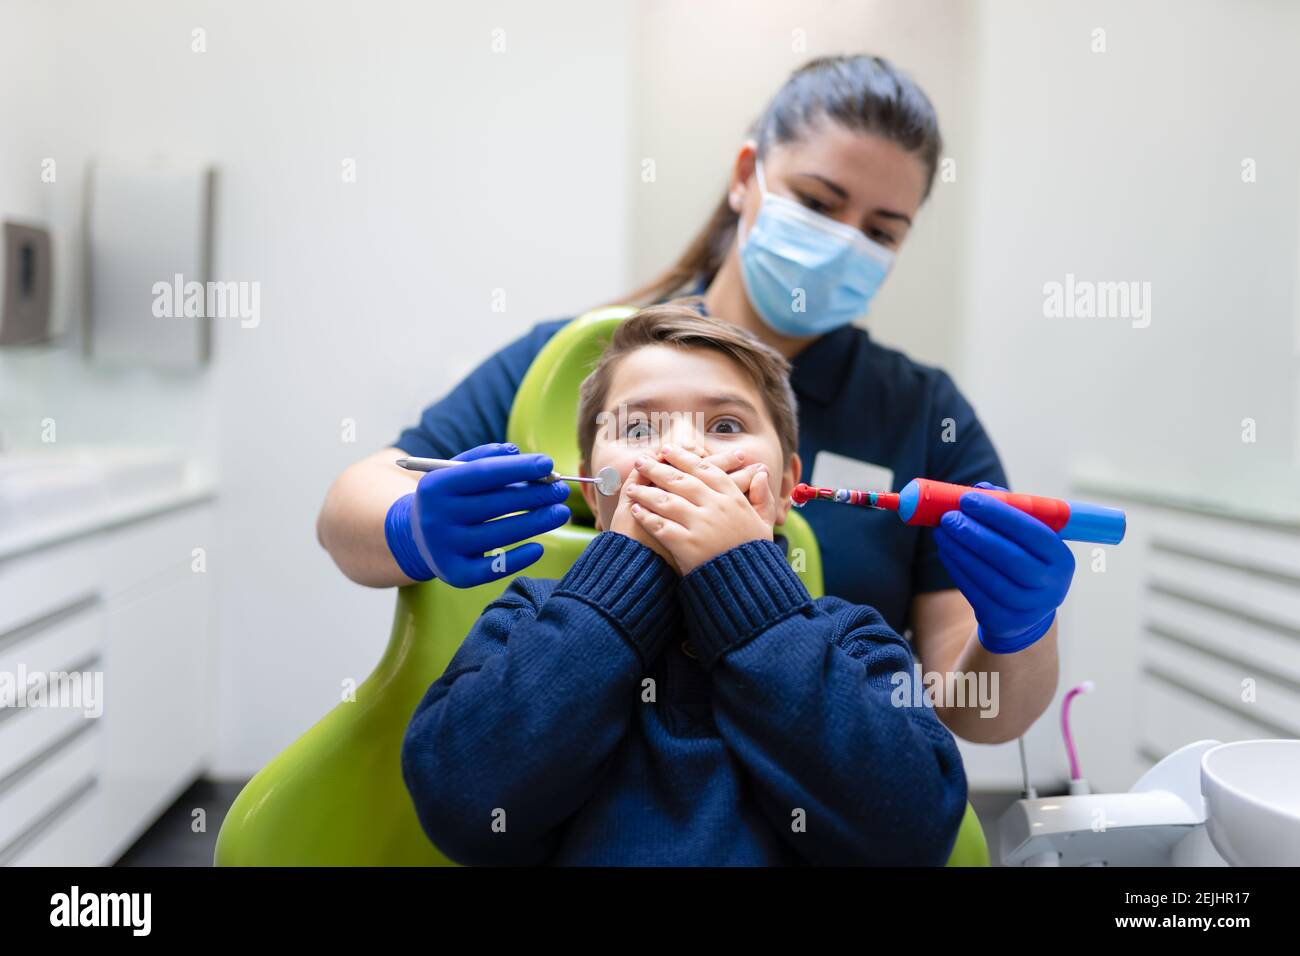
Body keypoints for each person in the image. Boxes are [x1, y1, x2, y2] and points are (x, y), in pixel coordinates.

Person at [319, 54, 1075, 744]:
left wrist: (1019, 627)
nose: (844, 241)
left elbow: (968, 710)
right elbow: (348, 511)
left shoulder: (918, 414)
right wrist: (410, 526)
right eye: (817, 201)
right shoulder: (585, 360)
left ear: (789, 481)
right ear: (746, 174)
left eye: (881, 229)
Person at [400, 305, 967, 865]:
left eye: (725, 425)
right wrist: (617, 581)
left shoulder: (851, 638)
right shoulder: (528, 616)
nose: (682, 453)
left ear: (787, 488)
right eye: (639, 428)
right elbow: (462, 806)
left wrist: (744, 583)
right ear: (595, 492)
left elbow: (913, 833)